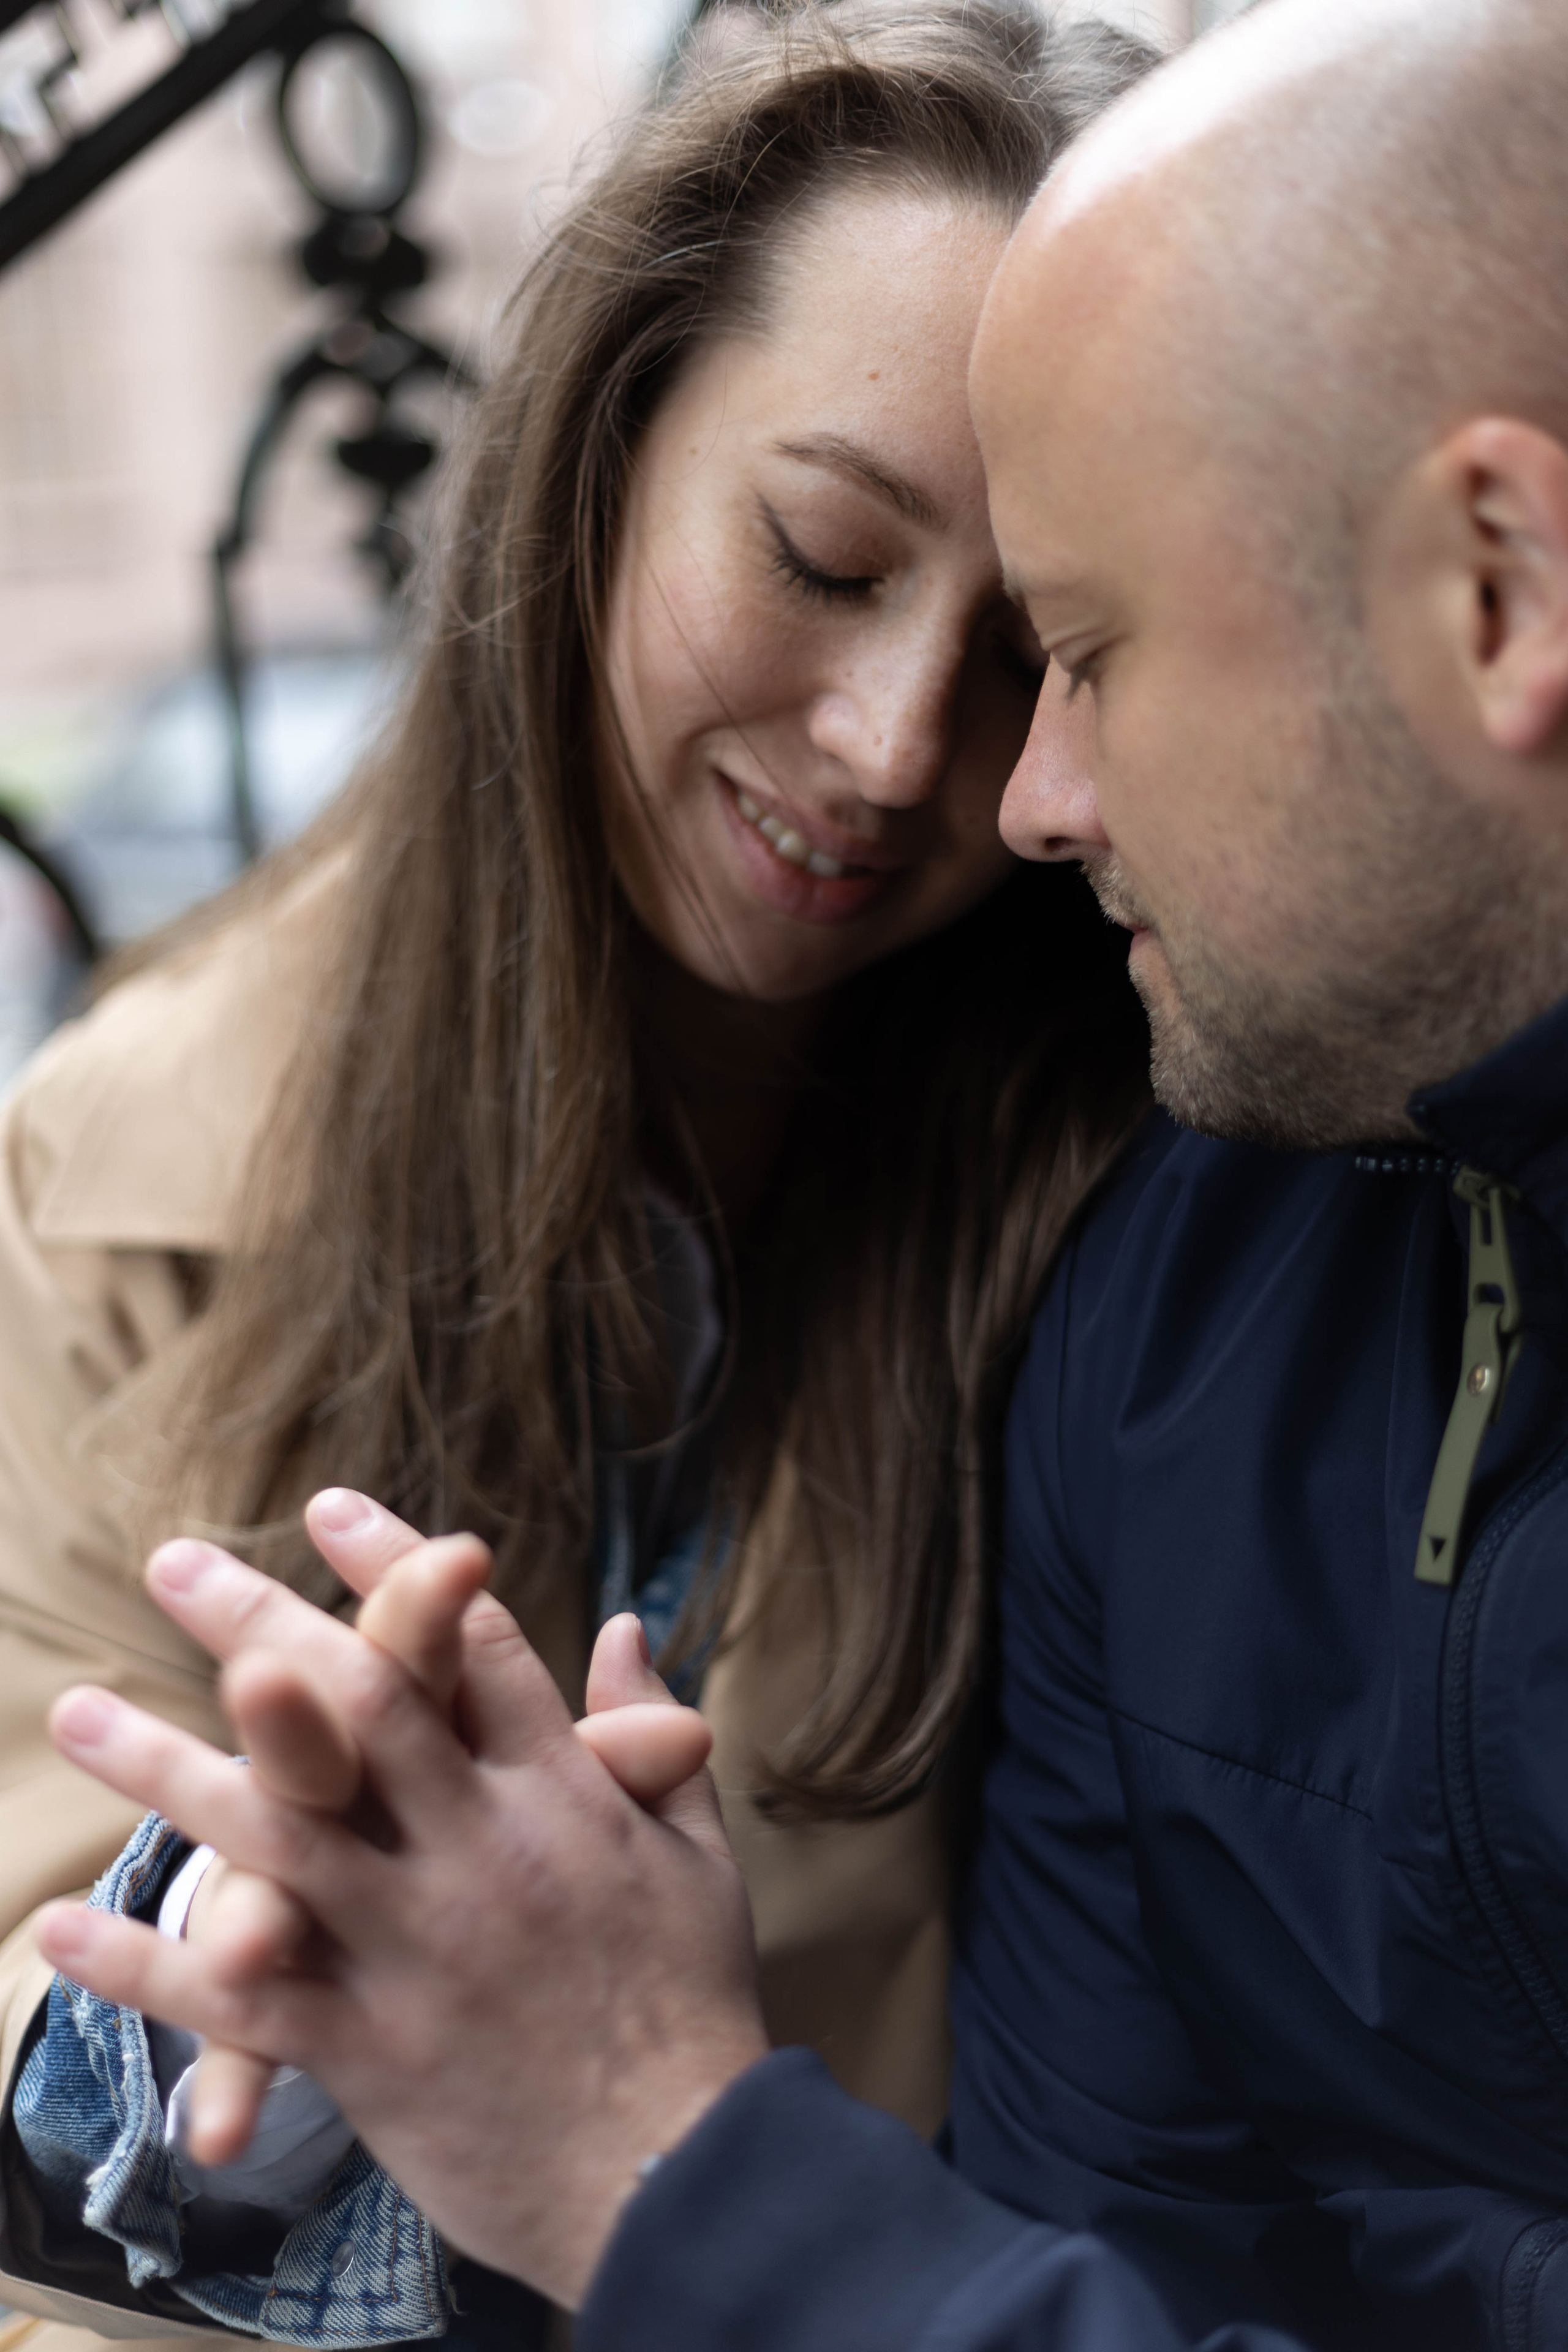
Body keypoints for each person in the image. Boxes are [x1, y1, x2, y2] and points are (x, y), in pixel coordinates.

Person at [32, 0, 1568, 2346]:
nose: (904, 753)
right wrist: (241, 1989)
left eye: (1048, 645)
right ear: (598, 458)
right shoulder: (111, 1164)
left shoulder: (1163, 1170)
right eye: (821, 553)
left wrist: (629, 2120)